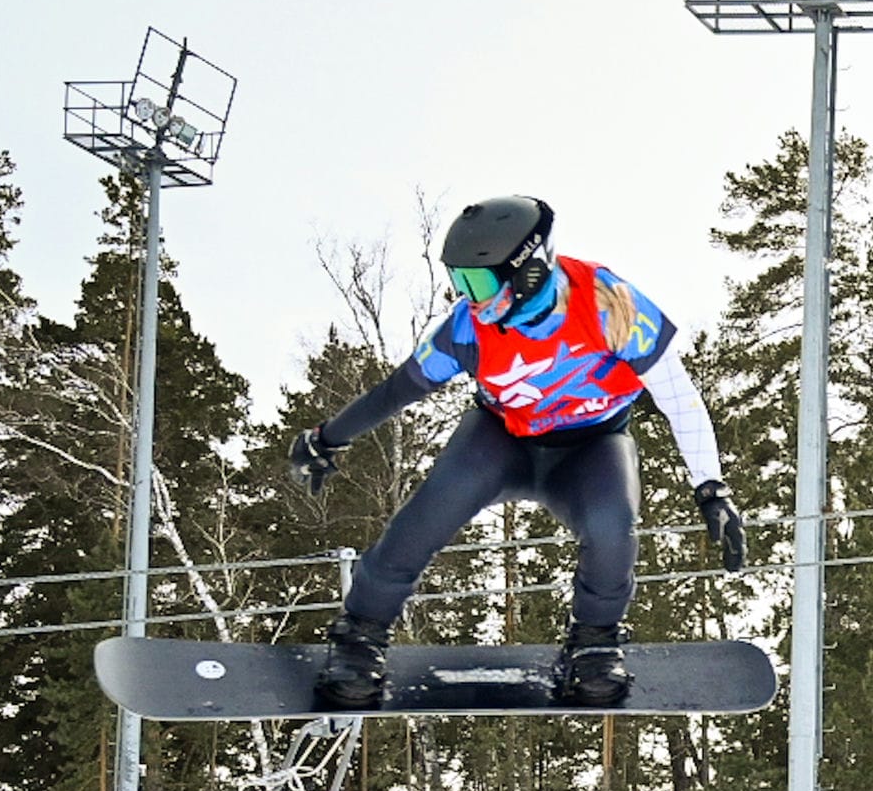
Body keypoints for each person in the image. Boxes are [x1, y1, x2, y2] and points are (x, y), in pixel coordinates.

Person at [286, 197, 747, 709]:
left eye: (478, 283)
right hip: (501, 439)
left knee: (613, 527)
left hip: (591, 446)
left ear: (528, 272)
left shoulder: (609, 304)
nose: (468, 298)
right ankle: (359, 637)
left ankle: (593, 644)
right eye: (460, 282)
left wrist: (711, 488)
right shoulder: (467, 329)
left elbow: (678, 396)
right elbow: (400, 389)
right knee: (424, 517)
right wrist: (327, 437)